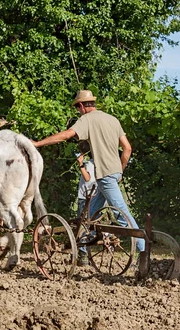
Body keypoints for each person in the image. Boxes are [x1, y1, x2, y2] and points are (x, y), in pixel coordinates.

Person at [31, 90, 146, 259]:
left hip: (105, 175)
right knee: (89, 215)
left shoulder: (86, 120)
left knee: (122, 215)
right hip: (112, 174)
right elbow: (127, 149)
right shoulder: (112, 119)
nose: (78, 111)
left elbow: (66, 135)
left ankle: (144, 253)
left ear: (81, 106)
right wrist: (120, 170)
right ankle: (83, 251)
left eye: (78, 108)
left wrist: (38, 143)